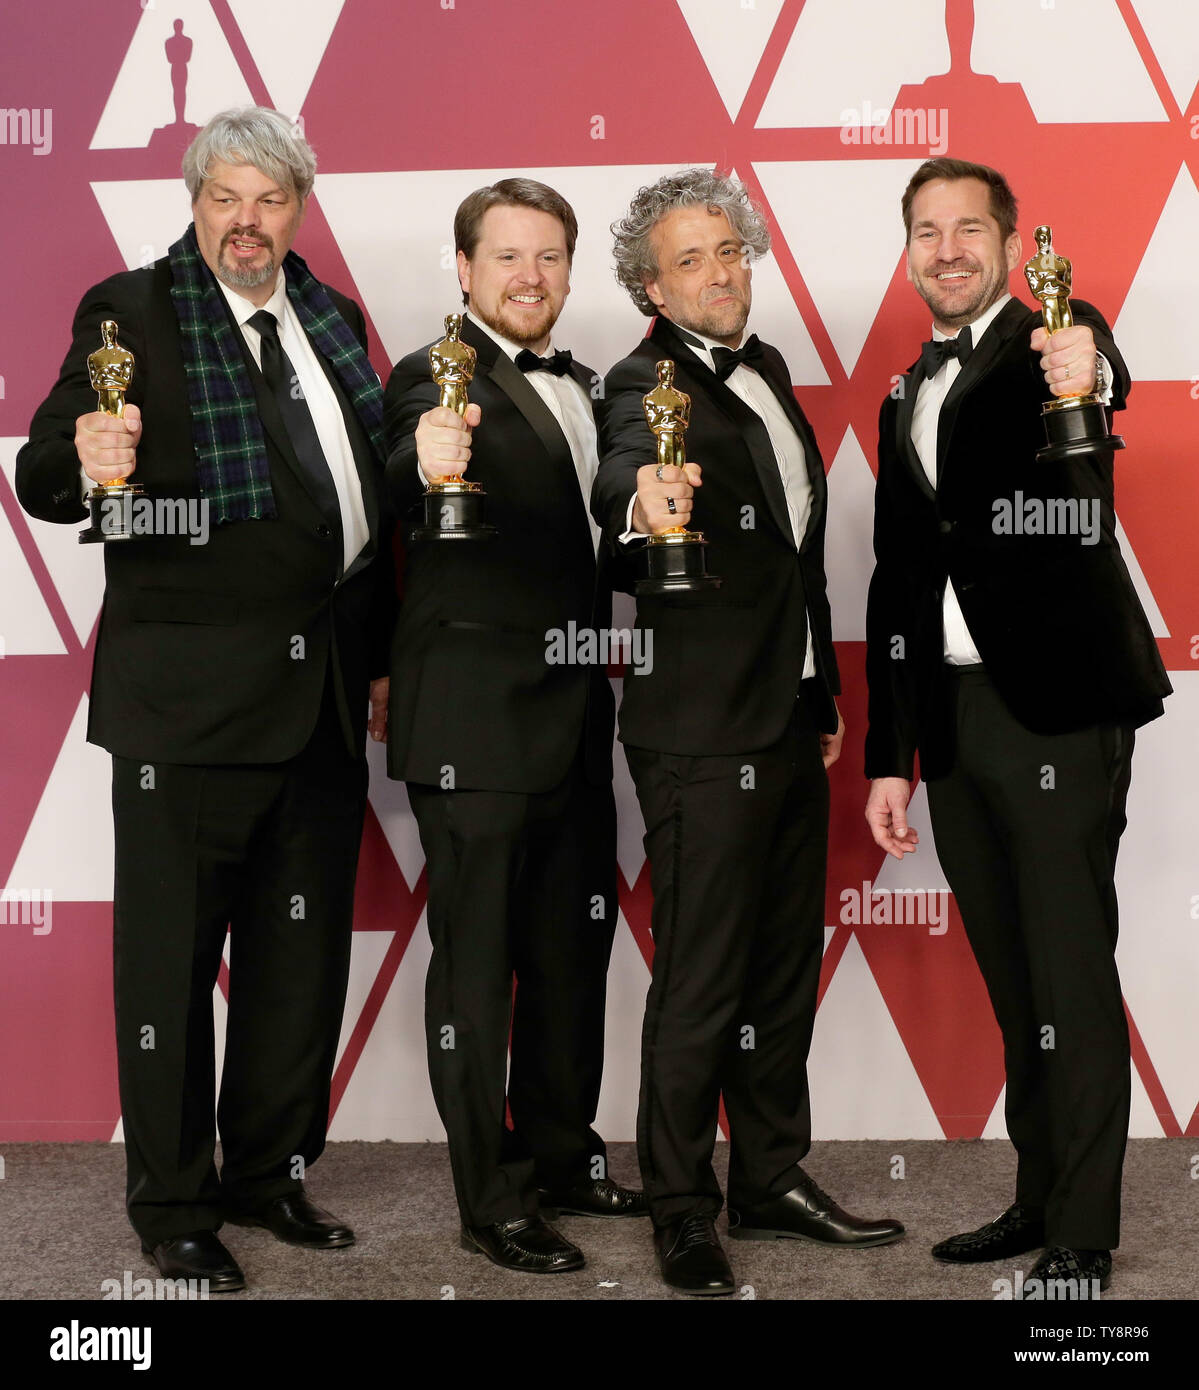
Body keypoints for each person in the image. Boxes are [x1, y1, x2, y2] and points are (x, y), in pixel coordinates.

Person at [16, 106, 393, 1294]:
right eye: (226, 197)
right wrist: (90, 457)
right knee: (170, 968)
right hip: (186, 706)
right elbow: (41, 471)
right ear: (194, 202)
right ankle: (174, 1201)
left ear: (297, 207)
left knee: (299, 960)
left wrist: (377, 661)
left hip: (323, 693)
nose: (248, 221)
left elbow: (370, 503)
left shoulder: (332, 317)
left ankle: (268, 1172)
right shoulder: (132, 310)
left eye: (270, 198)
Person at [593, 168, 904, 1297]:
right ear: (648, 282)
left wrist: (818, 696)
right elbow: (628, 473)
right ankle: (681, 1204)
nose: (719, 273)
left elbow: (793, 558)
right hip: (694, 728)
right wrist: (643, 504)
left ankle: (768, 1173)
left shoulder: (767, 369)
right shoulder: (637, 384)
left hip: (782, 721)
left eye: (729, 250)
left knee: (778, 970)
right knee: (701, 980)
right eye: (690, 259)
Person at [864, 157, 1171, 1294]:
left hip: (1051, 715)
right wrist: (887, 758)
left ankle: (1083, 1230)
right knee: (1013, 979)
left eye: (967, 229)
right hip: (950, 721)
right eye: (925, 230)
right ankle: (1036, 1195)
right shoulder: (904, 391)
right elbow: (897, 580)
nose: (945, 248)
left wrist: (1086, 363)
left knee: (1068, 972)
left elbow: (1092, 369)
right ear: (905, 251)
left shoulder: (1055, 327)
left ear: (1005, 244)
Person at [383, 178, 644, 1276]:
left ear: (569, 270)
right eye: (505, 257)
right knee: (477, 967)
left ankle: (559, 1150)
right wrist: (426, 458)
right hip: (473, 724)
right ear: (464, 268)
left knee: (570, 952)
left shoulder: (588, 385)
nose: (529, 276)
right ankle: (485, 1196)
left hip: (577, 714)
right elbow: (408, 471)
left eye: (547, 257)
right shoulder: (427, 381)